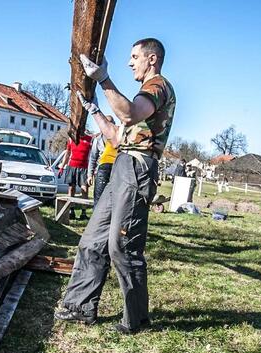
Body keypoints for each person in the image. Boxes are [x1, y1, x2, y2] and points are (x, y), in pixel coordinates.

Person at [55, 37, 175, 334]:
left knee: (122, 245)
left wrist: (104, 79)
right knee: (93, 240)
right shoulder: (141, 94)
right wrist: (93, 109)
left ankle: (137, 321)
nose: (129, 62)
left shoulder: (158, 87)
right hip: (123, 163)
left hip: (137, 168)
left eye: (134, 56)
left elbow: (128, 113)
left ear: (152, 59)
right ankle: (79, 307)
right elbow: (116, 136)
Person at [59, 133, 93, 219]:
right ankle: (71, 211)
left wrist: (92, 170)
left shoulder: (89, 139)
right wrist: (62, 167)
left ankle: (83, 213)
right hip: (72, 166)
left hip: (84, 167)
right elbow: (67, 153)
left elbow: (93, 155)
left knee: (84, 189)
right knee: (71, 188)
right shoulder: (72, 138)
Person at [87, 115, 118, 206]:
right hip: (101, 170)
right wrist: (90, 175)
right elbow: (93, 158)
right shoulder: (98, 139)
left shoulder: (118, 137)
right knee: (99, 197)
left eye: (110, 123)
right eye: (105, 124)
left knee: (114, 198)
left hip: (115, 169)